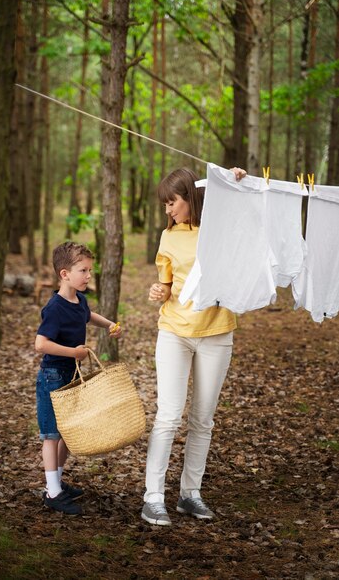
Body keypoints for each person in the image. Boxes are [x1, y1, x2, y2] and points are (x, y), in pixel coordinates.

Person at [141, 166, 246, 526]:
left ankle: (190, 494)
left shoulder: (220, 229)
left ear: (191, 196)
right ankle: (153, 498)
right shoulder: (168, 237)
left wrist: (232, 179)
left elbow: (242, 211)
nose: (168, 209)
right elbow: (166, 285)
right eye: (165, 204)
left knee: (202, 419)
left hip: (217, 333)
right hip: (174, 331)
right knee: (169, 416)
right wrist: (160, 290)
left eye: (173, 202)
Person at [35, 241, 122, 515]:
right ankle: (52, 492)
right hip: (53, 376)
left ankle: (57, 482)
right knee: (51, 435)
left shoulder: (78, 300)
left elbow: (88, 315)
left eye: (89, 270)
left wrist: (108, 324)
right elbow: (41, 344)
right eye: (83, 270)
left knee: (67, 434)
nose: (88, 276)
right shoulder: (55, 308)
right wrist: (72, 351)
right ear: (64, 274)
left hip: (72, 375)